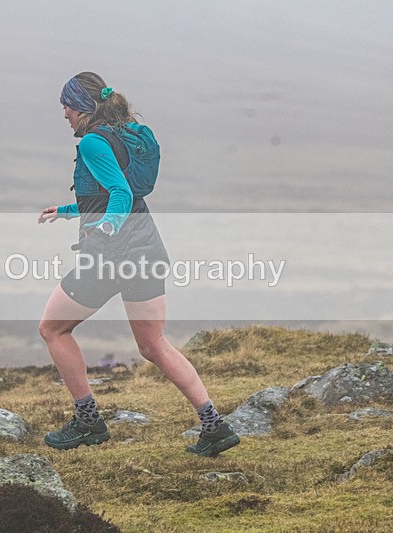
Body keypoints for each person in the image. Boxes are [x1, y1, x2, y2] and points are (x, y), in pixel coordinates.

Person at [37, 72, 240, 457]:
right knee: (154, 345)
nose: (63, 113)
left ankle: (87, 421)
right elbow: (108, 193)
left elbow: (120, 192)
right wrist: (66, 210)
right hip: (148, 250)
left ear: (82, 107)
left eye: (66, 105)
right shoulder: (125, 134)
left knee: (52, 329)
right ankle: (215, 426)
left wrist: (108, 228)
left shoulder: (95, 142)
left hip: (111, 256)